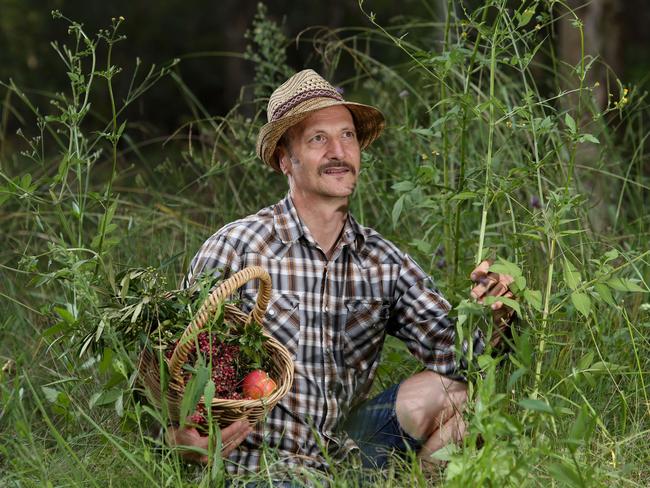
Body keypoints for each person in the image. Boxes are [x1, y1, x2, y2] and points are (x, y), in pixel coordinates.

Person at [166, 69, 516, 477]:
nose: (338, 151)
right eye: (318, 138)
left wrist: (492, 314)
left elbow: (460, 360)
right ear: (285, 159)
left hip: (345, 455)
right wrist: (177, 437)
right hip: (261, 466)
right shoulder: (236, 248)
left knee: (463, 397)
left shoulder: (385, 261)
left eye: (347, 135)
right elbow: (170, 370)